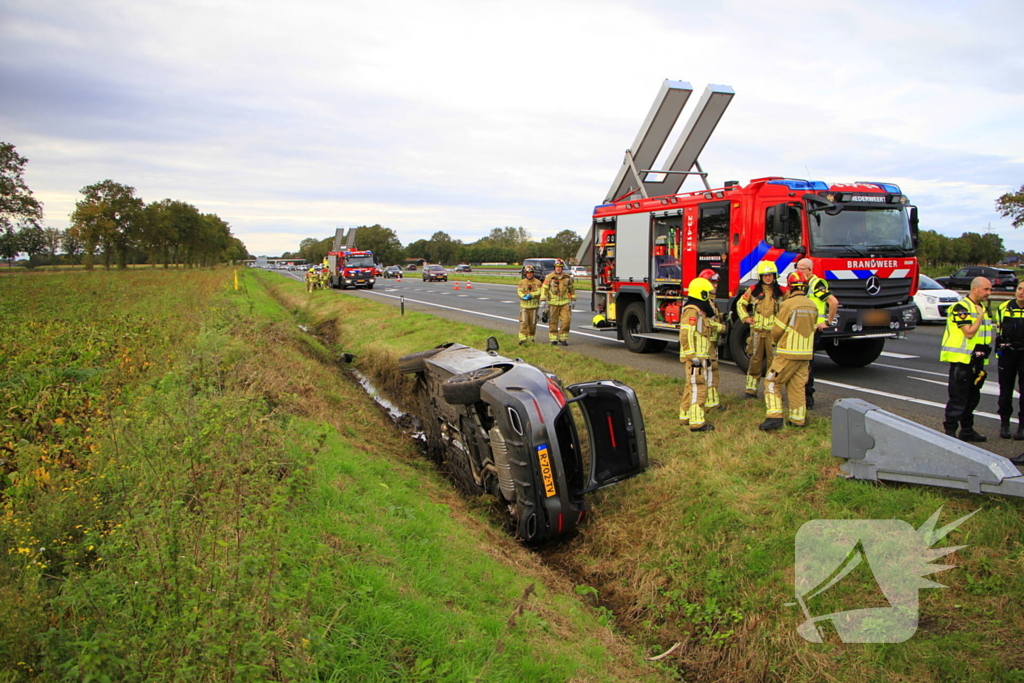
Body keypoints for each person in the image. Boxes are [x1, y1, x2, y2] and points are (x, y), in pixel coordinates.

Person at [760, 271, 818, 431]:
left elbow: (778, 329)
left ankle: (774, 417)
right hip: (805, 354)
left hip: (787, 353)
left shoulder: (788, 304)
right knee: (797, 386)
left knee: (771, 381)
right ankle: (797, 420)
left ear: (791, 287)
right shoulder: (812, 305)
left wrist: (774, 342)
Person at [941, 276, 993, 442]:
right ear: (975, 289)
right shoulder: (961, 307)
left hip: (977, 361)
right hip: (962, 361)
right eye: (986, 289)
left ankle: (967, 430)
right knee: (958, 398)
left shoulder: (982, 308)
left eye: (990, 290)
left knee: (972, 398)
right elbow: (969, 332)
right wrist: (979, 316)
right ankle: (950, 432)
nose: (989, 293)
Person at [795, 258, 839, 410]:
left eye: (801, 269)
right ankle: (800, 395)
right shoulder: (801, 284)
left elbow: (833, 302)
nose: (798, 271)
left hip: (813, 330)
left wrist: (828, 322)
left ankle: (808, 397)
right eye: (797, 268)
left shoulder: (816, 284)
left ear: (809, 270)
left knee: (807, 364)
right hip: (801, 328)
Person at [737, 261, 785, 398]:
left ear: (774, 276)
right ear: (760, 277)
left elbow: (789, 308)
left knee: (774, 362)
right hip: (757, 332)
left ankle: (772, 391)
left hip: (774, 334)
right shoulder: (753, 290)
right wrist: (745, 318)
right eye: (765, 275)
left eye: (770, 275)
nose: (768, 278)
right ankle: (750, 391)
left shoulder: (782, 292)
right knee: (755, 361)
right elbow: (740, 304)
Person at [679, 277, 717, 432]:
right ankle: (697, 423)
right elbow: (685, 334)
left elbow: (702, 328)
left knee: (691, 387)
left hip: (700, 356)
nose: (709, 295)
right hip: (696, 358)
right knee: (698, 388)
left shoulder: (698, 310)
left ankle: (685, 415)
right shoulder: (692, 310)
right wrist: (692, 356)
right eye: (707, 293)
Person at [995, 282, 1024, 439]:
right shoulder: (1004, 307)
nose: (1021, 293)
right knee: (1005, 390)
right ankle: (1004, 423)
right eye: (1020, 289)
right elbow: (1000, 331)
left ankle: (1022, 427)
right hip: (1008, 354)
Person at [698, 268, 726, 411]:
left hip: (712, 343)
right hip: (706, 343)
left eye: (716, 283)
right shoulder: (702, 303)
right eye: (712, 283)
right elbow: (705, 323)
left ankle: (713, 402)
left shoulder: (711, 301)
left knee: (713, 371)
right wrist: (721, 327)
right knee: (708, 371)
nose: (715, 286)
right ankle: (709, 403)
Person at [541, 259, 576, 346]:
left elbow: (571, 288)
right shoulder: (549, 277)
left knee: (566, 321)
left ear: (562, 268)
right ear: (555, 268)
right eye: (557, 267)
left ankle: (563, 338)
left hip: (564, 303)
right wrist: (543, 300)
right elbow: (544, 288)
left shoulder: (567, 277)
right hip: (553, 303)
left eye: (560, 267)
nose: (558, 269)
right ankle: (553, 339)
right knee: (553, 321)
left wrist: (573, 299)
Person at [517, 265, 543, 344]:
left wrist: (532, 295)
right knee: (524, 322)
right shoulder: (522, 282)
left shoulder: (538, 282)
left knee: (532, 324)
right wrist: (523, 296)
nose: (529, 274)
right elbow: (519, 291)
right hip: (524, 306)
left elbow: (540, 292)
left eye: (531, 273)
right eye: (528, 273)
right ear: (525, 273)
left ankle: (531, 338)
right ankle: (522, 339)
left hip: (534, 307)